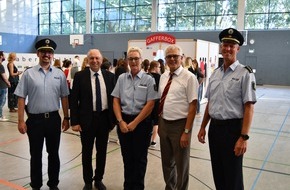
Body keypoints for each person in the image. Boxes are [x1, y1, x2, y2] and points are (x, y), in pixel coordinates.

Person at [197, 28, 257, 190]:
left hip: (233, 130)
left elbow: (249, 107)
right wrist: (203, 126)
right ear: (220, 47)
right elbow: (210, 103)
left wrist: (243, 137)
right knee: (219, 173)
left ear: (238, 49)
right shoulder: (215, 74)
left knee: (233, 176)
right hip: (215, 129)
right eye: (225, 44)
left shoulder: (245, 73)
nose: (228, 48)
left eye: (232, 45)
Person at [14, 38, 70, 190]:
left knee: (54, 154)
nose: (46, 54)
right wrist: (21, 120)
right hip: (35, 121)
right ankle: (36, 185)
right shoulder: (28, 74)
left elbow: (64, 97)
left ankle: (53, 184)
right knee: (36, 155)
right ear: (38, 53)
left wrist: (66, 117)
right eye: (43, 51)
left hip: (53, 119)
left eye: (49, 52)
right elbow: (21, 98)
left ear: (53, 55)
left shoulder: (59, 74)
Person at [111, 47, 158, 190]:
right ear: (127, 61)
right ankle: (128, 186)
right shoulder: (121, 78)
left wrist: (135, 123)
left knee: (140, 159)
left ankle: (137, 187)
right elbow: (116, 100)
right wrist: (120, 121)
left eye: (136, 58)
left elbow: (150, 104)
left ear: (141, 60)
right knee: (127, 158)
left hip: (142, 124)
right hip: (124, 121)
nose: (133, 61)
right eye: (130, 59)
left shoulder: (149, 80)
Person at [70, 49, 116, 190]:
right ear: (87, 60)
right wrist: (75, 122)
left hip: (104, 119)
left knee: (102, 152)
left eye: (97, 58)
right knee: (87, 152)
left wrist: (113, 121)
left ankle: (98, 179)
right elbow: (74, 100)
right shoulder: (79, 76)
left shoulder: (109, 77)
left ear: (101, 60)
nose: (94, 61)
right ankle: (88, 181)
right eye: (91, 58)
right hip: (86, 120)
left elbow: (114, 99)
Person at [158, 44, 199, 190]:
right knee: (167, 163)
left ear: (182, 58)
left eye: (176, 56)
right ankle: (170, 187)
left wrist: (186, 132)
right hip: (164, 123)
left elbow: (193, 106)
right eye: (169, 56)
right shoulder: (163, 77)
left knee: (182, 165)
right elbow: (161, 101)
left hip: (180, 125)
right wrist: (159, 124)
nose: (172, 59)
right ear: (165, 59)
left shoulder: (189, 78)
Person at [148, 60, 161, 148]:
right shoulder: (160, 77)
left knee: (148, 120)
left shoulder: (146, 76)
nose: (159, 69)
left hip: (147, 101)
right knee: (156, 122)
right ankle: (153, 140)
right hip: (156, 102)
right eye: (159, 67)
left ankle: (147, 138)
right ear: (155, 67)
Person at [0, 51, 11, 121]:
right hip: (2, 86)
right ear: (1, 56)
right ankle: (0, 116)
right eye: (3, 55)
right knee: (1, 102)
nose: (5, 56)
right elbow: (4, 77)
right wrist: (8, 83)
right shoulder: (0, 66)